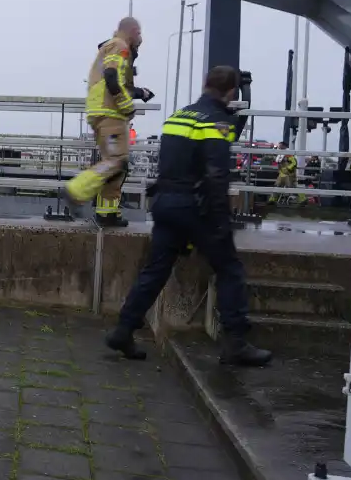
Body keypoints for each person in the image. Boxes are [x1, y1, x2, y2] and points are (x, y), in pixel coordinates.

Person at [106, 65, 272, 367]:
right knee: (229, 267)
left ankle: (124, 328)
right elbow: (216, 173)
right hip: (196, 206)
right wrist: (220, 218)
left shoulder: (179, 116)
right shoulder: (216, 121)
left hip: (166, 203)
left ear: (205, 84)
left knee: (155, 270)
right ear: (231, 92)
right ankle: (235, 342)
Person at [65, 17, 154, 227]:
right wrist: (127, 107)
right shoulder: (119, 46)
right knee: (116, 161)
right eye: (139, 33)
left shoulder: (118, 49)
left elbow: (118, 82)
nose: (141, 37)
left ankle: (108, 213)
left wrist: (141, 93)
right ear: (131, 31)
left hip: (104, 113)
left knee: (118, 166)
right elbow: (112, 77)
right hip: (110, 114)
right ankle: (76, 190)